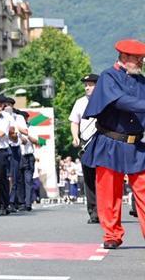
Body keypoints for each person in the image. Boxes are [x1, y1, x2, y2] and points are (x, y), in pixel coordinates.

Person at [80, 39, 145, 249]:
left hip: (137, 144)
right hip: (110, 141)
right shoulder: (109, 76)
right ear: (125, 58)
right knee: (109, 192)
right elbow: (119, 101)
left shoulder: (142, 81)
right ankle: (112, 234)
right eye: (139, 59)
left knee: (143, 191)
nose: (142, 62)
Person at [70, 73, 99, 223]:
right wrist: (75, 137)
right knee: (89, 178)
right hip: (86, 143)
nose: (87, 87)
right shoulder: (80, 102)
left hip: (102, 143)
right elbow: (74, 122)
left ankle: (105, 210)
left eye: (90, 84)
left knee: (102, 177)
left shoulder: (105, 100)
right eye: (86, 85)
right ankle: (93, 212)